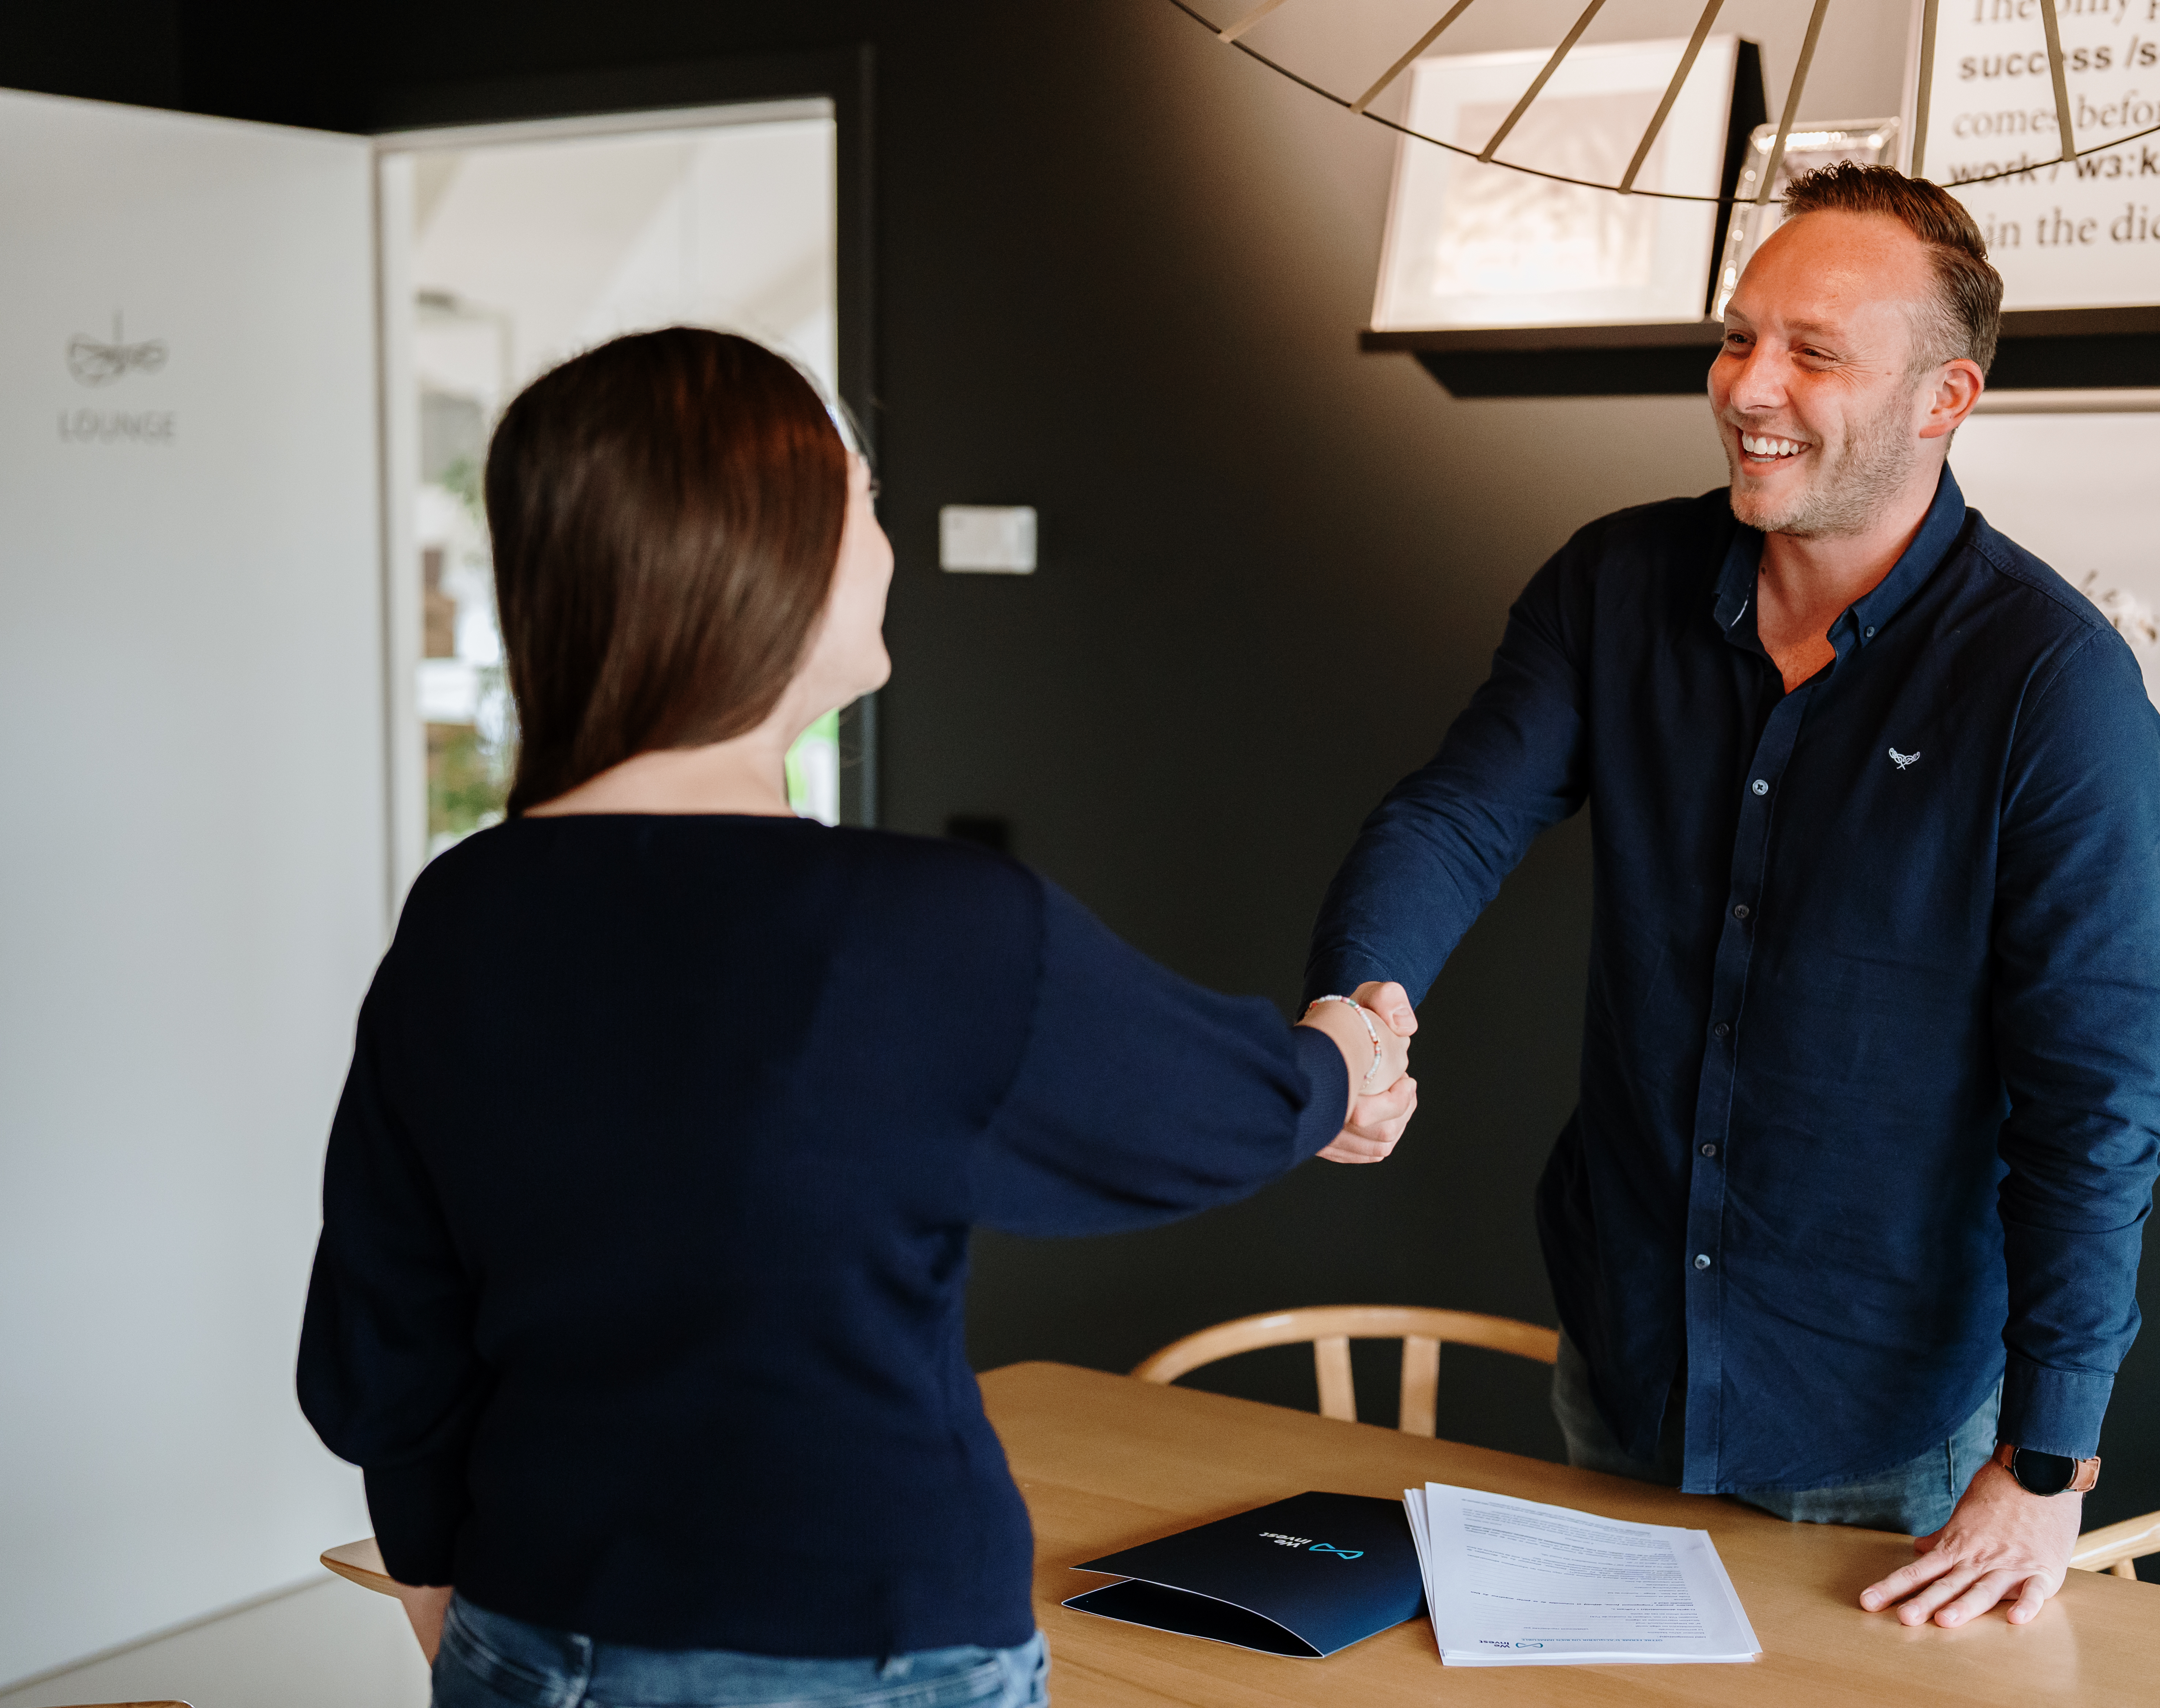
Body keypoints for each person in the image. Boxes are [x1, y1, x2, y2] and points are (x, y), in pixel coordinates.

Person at [297, 327, 1418, 1708]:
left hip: (528, 1636)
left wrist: (469, 1630)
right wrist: (1352, 1053)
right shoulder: (919, 925)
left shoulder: (462, 913)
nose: (883, 545)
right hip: (864, 1654)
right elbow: (1218, 1106)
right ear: (767, 557)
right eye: (865, 501)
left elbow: (381, 1347)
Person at [1306, 165, 2160, 1630]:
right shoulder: (1614, 584)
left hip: (1884, 1428)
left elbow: (2099, 1093)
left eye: (1813, 352)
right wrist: (1360, 996)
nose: (1745, 386)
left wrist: (2047, 1458)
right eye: (1736, 336)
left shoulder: (2053, 684)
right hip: (1624, 1354)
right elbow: (1456, 814)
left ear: (1943, 398)